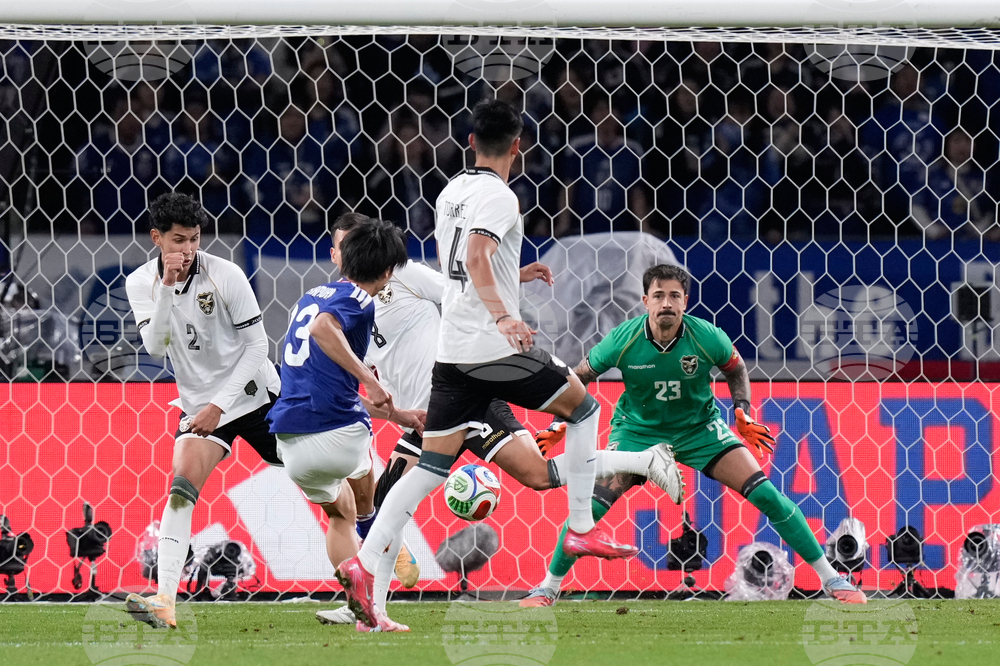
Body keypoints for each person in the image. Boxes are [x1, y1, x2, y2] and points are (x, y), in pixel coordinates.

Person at [335, 98, 665, 629]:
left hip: (451, 357)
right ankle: (581, 523)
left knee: (424, 474)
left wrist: (516, 277)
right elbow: (476, 258)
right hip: (492, 350)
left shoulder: (450, 193)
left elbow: (464, 266)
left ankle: (363, 565)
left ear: (470, 143)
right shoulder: (501, 197)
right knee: (583, 409)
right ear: (518, 147)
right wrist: (504, 315)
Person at [520, 264, 867, 606]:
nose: (666, 303)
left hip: (701, 430)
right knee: (589, 508)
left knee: (768, 496)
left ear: (685, 301)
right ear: (645, 301)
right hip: (638, 433)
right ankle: (547, 588)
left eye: (674, 295)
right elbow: (580, 378)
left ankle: (831, 578)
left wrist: (742, 411)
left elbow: (736, 368)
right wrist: (558, 425)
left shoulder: (707, 336)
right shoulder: (622, 340)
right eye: (659, 296)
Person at [124, 192, 282, 628]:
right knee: (181, 487)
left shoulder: (226, 274)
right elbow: (156, 346)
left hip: (255, 395)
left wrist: (218, 405)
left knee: (318, 480)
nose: (189, 250)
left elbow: (258, 348)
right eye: (178, 240)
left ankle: (372, 528)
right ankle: (165, 601)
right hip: (199, 405)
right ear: (157, 238)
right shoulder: (141, 283)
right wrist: (169, 291)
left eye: (194, 239)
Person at [268, 217, 424, 633]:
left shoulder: (310, 296)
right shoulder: (360, 298)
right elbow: (324, 329)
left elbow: (327, 375)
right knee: (374, 504)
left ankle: (362, 604)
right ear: (388, 271)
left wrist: (400, 416)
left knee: (342, 514)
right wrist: (373, 382)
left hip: (290, 444)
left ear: (343, 258)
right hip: (340, 436)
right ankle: (381, 554)